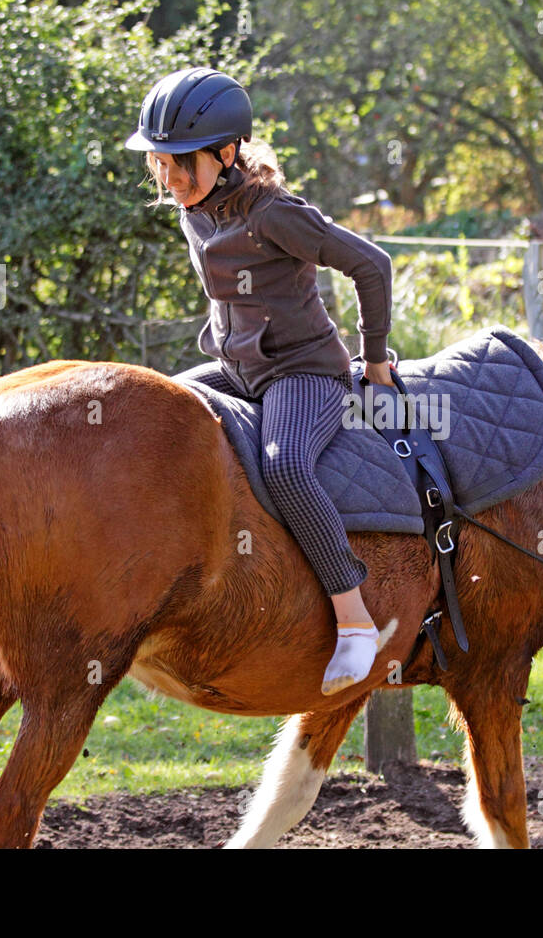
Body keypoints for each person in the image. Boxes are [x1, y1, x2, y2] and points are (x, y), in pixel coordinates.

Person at [125, 67, 397, 695]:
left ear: (226, 153)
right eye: (159, 164)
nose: (166, 180)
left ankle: (355, 622)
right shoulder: (195, 208)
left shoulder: (276, 214)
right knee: (149, 418)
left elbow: (372, 264)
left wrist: (375, 363)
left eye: (178, 163)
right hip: (236, 368)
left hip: (303, 373)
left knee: (286, 467)